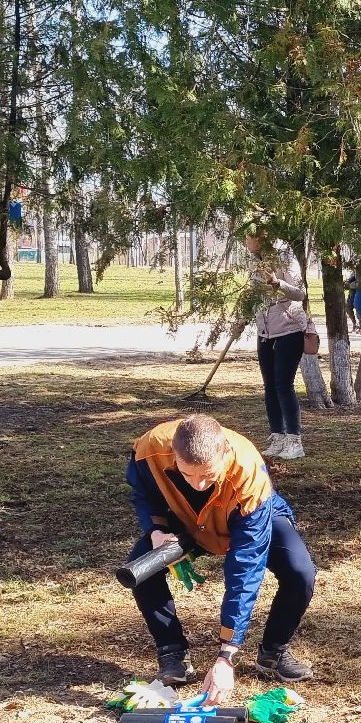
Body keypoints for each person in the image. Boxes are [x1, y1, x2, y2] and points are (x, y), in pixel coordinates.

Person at [124, 413, 317, 690]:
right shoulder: (149, 449)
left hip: (250, 516)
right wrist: (156, 529)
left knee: (300, 572)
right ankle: (172, 654)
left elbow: (245, 568)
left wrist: (226, 654)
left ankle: (273, 653)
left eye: (208, 474)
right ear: (173, 454)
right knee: (141, 569)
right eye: (188, 473)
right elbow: (144, 492)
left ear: (224, 452)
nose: (199, 484)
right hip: (187, 520)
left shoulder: (249, 476)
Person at [251, 236, 317, 460]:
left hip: (289, 329)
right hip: (265, 332)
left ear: (262, 236)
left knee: (283, 385)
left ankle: (294, 441)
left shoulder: (284, 256)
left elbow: (300, 293)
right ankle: (277, 437)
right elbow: (253, 296)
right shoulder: (254, 261)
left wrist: (277, 283)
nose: (246, 241)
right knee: (269, 386)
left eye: (249, 236)